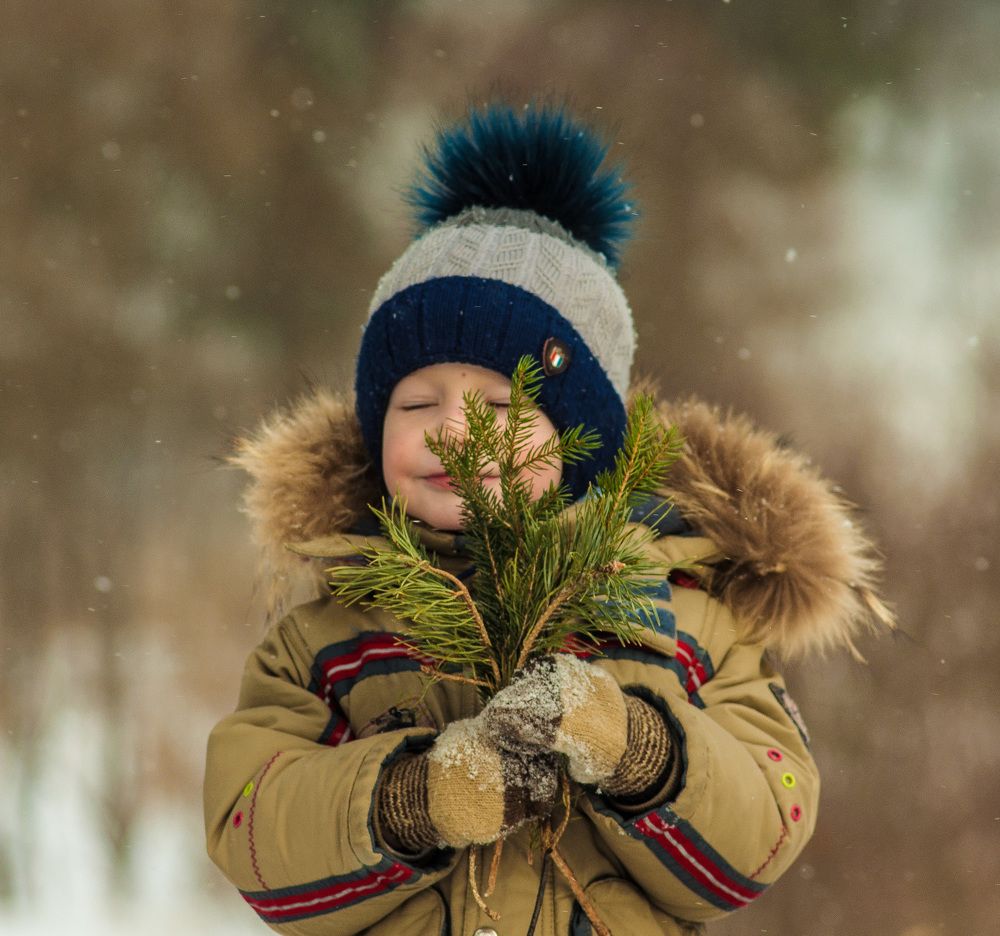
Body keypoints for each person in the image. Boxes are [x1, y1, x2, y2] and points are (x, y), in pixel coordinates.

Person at [203, 103, 892, 936]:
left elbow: (755, 841)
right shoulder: (327, 638)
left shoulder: (686, 619)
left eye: (502, 403)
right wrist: (415, 800)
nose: (453, 433)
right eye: (416, 401)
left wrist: (633, 745)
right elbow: (252, 827)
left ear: (583, 443)